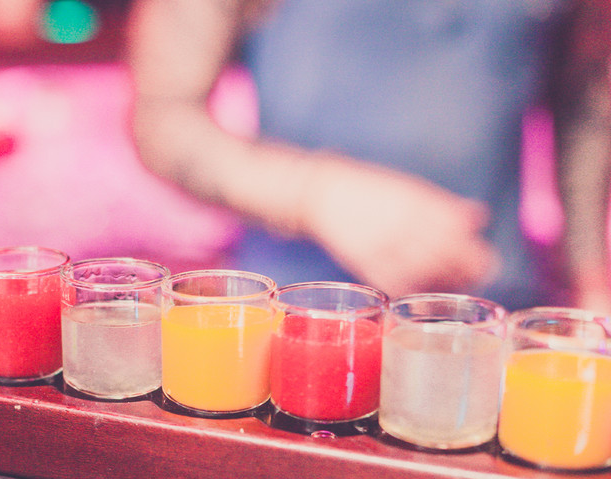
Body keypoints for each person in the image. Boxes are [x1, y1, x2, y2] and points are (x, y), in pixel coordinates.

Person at [127, 0, 611, 312]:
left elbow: (586, 104)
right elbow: (162, 116)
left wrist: (590, 279)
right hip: (292, 317)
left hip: (498, 316)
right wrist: (314, 194)